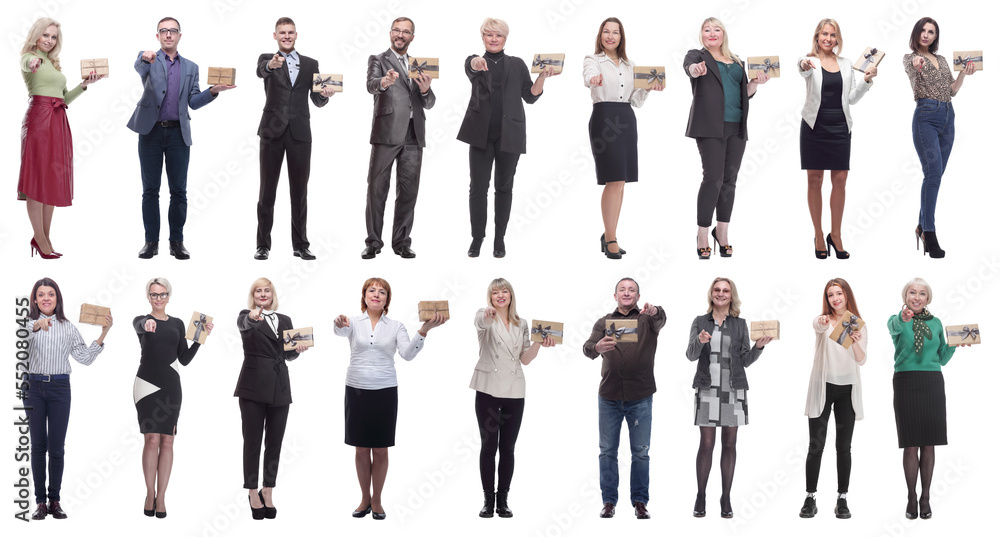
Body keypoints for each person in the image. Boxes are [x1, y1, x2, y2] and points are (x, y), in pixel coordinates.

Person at [334, 278, 446, 519]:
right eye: (371, 290)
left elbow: (407, 354)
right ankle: (364, 498)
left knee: (381, 449)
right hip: (357, 390)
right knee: (361, 448)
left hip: (385, 390)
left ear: (387, 299)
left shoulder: (396, 326)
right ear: (364, 296)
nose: (376, 294)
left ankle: (377, 500)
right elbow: (339, 330)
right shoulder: (352, 322)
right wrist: (338, 322)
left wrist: (424, 330)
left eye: (382, 292)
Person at [127, 17, 235, 260]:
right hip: (150, 132)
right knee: (150, 190)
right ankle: (151, 242)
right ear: (157, 36)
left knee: (179, 191)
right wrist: (144, 57)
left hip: (178, 134)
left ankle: (176, 242)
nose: (168, 35)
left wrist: (213, 91)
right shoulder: (148, 59)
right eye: (163, 31)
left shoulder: (191, 67)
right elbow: (139, 67)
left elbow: (194, 102)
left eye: (172, 31)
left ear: (179, 36)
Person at [457, 17, 557, 258]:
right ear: (482, 37)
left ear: (505, 39)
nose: (493, 39)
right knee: (477, 188)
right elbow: (471, 65)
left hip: (509, 135)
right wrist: (476, 62)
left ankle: (499, 238)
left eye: (498, 35)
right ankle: (477, 238)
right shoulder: (475, 61)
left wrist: (542, 78)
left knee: (504, 188)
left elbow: (530, 96)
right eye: (489, 35)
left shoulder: (517, 64)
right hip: (480, 136)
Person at [24, 278, 111, 519]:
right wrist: (35, 327)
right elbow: (15, 337)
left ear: (57, 299)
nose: (46, 298)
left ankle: (55, 500)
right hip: (33, 387)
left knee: (57, 448)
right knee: (38, 446)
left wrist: (103, 332)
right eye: (41, 295)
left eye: (50, 294)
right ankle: (40, 502)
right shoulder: (26, 324)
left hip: (60, 388)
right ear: (34, 299)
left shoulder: (68, 326)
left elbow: (84, 358)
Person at [683, 18, 769, 259]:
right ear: (701, 34)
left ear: (724, 34)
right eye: (707, 29)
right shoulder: (696, 56)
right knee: (713, 179)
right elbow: (689, 68)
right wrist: (695, 69)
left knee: (729, 181)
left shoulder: (737, 60)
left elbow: (745, 93)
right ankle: (702, 233)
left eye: (717, 29)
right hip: (710, 126)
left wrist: (754, 83)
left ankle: (722, 233)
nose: (712, 33)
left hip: (737, 126)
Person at [18, 18, 104, 259]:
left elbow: (64, 99)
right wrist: (32, 61)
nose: (49, 40)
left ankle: (44, 238)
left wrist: (84, 85)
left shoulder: (53, 63)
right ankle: (41, 239)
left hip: (58, 118)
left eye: (53, 37)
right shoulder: (29, 57)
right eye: (45, 35)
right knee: (37, 179)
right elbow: (27, 63)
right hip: (39, 118)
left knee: (52, 179)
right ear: (36, 35)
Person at [685, 277, 771, 518]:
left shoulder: (740, 325)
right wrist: (700, 341)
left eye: (725, 290)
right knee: (707, 444)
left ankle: (725, 496)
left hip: (734, 389)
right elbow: (690, 355)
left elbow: (745, 360)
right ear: (711, 293)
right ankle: (701, 494)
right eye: (717, 289)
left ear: (731, 296)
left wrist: (759, 347)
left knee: (730, 444)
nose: (721, 293)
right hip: (707, 387)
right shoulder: (700, 321)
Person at [470, 278, 554, 518]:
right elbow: (482, 321)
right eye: (495, 292)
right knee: (489, 446)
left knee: (507, 448)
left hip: (515, 392)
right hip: (487, 389)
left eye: (504, 291)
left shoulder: (522, 323)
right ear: (490, 297)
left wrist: (539, 343)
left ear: (511, 295)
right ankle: (488, 500)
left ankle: (503, 500)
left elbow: (525, 359)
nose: (500, 295)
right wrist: (488, 314)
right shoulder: (483, 315)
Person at [582, 277, 665, 519]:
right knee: (607, 451)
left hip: (640, 396)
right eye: (622, 290)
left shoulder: (648, 320)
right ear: (615, 295)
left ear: (638, 297)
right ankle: (609, 502)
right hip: (609, 397)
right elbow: (587, 348)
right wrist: (597, 347)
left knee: (640, 451)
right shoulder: (604, 322)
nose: (627, 293)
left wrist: (655, 310)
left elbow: (662, 318)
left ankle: (640, 501)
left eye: (632, 290)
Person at [255, 17, 335, 261]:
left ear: (296, 35)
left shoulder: (311, 64)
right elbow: (261, 71)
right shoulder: (267, 59)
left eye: (290, 32)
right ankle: (263, 245)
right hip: (271, 131)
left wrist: (326, 94)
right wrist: (272, 63)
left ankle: (300, 245)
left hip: (300, 132)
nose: (286, 36)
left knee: (299, 191)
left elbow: (317, 100)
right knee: (267, 191)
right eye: (282, 33)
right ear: (275, 36)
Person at [888, 278, 969, 519]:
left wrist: (955, 345)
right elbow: (894, 327)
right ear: (906, 297)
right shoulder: (898, 320)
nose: (917, 297)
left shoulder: (936, 323)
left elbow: (942, 358)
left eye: (922, 293)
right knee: (911, 442)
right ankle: (911, 496)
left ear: (927, 298)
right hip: (906, 382)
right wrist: (902, 318)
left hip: (932, 382)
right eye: (912, 292)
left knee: (929, 443)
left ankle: (926, 497)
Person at [133, 277, 213, 518]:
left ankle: (162, 497)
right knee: (151, 440)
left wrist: (200, 338)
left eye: (163, 294)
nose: (159, 298)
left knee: (168, 440)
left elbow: (184, 359)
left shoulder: (178, 324)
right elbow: (140, 325)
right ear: (148, 297)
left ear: (169, 296)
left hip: (171, 386)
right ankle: (149, 493)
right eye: (154, 294)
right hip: (146, 384)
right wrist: (147, 324)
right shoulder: (141, 320)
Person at [583, 17, 662, 259]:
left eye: (615, 32)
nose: (610, 36)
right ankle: (610, 238)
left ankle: (610, 234)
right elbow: (589, 77)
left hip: (626, 119)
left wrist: (649, 87)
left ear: (621, 37)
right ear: (600, 35)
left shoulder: (630, 65)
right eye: (606, 32)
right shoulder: (593, 60)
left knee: (621, 181)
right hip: (604, 117)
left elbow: (635, 101)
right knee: (613, 178)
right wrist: (593, 80)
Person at [798, 19, 876, 259]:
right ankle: (819, 234)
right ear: (817, 36)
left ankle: (836, 234)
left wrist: (866, 81)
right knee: (815, 180)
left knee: (840, 181)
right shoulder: (809, 61)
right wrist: (803, 63)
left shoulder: (846, 63)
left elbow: (851, 99)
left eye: (832, 35)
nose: (828, 38)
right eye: (824, 34)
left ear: (837, 39)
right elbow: (803, 69)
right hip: (814, 126)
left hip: (840, 127)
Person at [361, 16, 435, 260]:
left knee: (409, 191)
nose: (400, 35)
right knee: (376, 188)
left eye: (406, 32)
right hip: (387, 131)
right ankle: (373, 242)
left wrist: (425, 89)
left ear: (412, 37)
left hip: (414, 133)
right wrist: (384, 81)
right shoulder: (378, 60)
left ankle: (402, 242)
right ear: (390, 33)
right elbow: (371, 85)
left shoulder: (419, 65)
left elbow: (430, 102)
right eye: (396, 31)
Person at [903, 17, 976, 258]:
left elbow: (951, 90)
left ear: (935, 36)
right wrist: (917, 64)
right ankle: (929, 232)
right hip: (926, 116)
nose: (926, 35)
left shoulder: (943, 60)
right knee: (932, 174)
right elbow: (914, 72)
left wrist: (963, 75)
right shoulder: (910, 58)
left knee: (937, 174)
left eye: (931, 32)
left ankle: (921, 225)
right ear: (917, 33)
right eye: (922, 31)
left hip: (947, 117)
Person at [235, 278, 308, 519]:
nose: (263, 294)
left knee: (275, 443)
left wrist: (296, 351)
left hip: (280, 385)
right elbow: (245, 324)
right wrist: (253, 317)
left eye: (267, 290)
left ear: (273, 294)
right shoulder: (246, 315)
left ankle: (268, 489)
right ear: (253, 295)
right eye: (258, 290)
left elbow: (287, 355)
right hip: (253, 386)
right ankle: (252, 490)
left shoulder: (285, 319)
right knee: (253, 441)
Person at [800, 278, 866, 519]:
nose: (835, 298)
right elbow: (816, 326)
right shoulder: (823, 321)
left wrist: (856, 342)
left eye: (839, 293)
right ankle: (810, 497)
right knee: (815, 445)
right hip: (823, 387)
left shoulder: (857, 325)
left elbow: (861, 359)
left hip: (847, 389)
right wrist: (821, 322)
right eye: (830, 295)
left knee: (844, 447)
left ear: (847, 295)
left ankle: (842, 499)